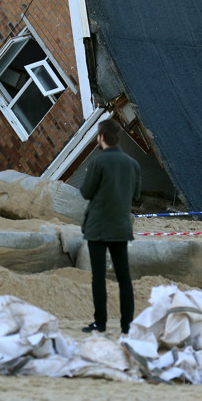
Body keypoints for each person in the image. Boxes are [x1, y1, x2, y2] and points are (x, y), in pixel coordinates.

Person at [79, 118, 142, 335]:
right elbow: (136, 195)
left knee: (99, 278)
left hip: (98, 227)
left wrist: (90, 178)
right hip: (121, 227)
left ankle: (101, 323)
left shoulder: (97, 163)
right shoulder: (133, 164)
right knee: (124, 278)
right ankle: (127, 326)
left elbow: (86, 193)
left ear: (102, 137)